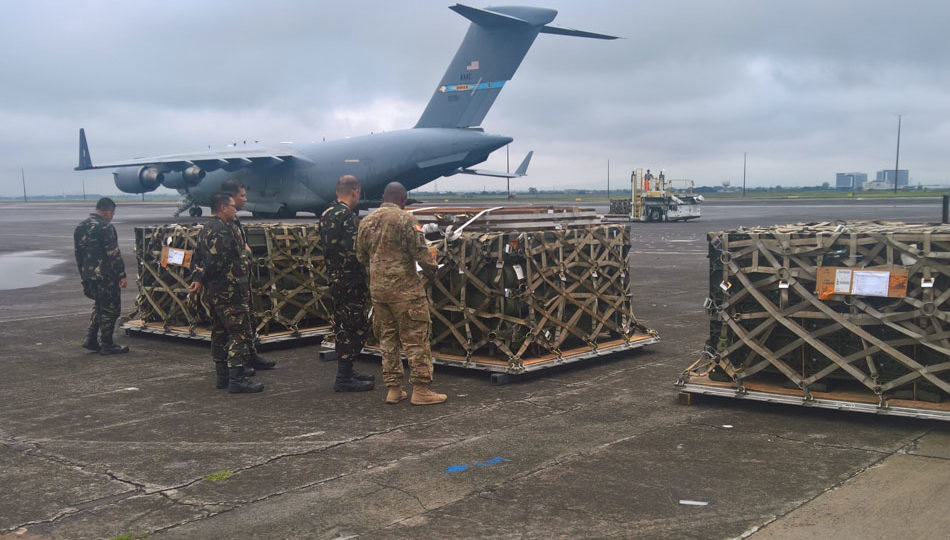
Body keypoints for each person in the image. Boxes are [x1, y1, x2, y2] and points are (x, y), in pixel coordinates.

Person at [356, 182, 446, 406]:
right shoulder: (406, 220)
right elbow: (422, 255)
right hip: (405, 291)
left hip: (379, 291)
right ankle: (420, 389)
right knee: (416, 339)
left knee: (388, 339)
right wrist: (435, 271)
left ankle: (394, 389)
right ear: (403, 199)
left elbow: (360, 255)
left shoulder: (366, 221)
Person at [188, 192, 263, 393]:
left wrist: (198, 279)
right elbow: (214, 262)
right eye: (232, 206)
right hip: (230, 291)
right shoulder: (222, 230)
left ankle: (222, 378)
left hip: (215, 292)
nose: (235, 209)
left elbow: (198, 259)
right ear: (222, 207)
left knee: (219, 333)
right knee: (239, 334)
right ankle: (237, 380)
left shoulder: (205, 229)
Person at [319, 175, 375, 392]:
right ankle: (344, 376)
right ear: (355, 191)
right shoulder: (347, 217)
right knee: (354, 326)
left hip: (335, 278)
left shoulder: (326, 214)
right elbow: (358, 252)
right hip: (351, 280)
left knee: (343, 324)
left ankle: (348, 370)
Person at [218, 178, 276, 372]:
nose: (245, 199)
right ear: (231, 198)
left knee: (248, 319)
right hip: (232, 283)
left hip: (242, 280)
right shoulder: (224, 225)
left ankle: (250, 356)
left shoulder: (234, 220)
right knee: (236, 326)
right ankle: (236, 365)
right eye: (242, 195)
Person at [74, 197, 130, 355]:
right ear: (108, 211)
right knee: (111, 310)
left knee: (99, 307)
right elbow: (113, 254)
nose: (112, 217)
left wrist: (84, 275)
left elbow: (78, 255)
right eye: (112, 213)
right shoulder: (105, 227)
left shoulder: (80, 227)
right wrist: (121, 275)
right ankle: (107, 344)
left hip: (89, 276)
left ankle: (91, 339)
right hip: (106, 277)